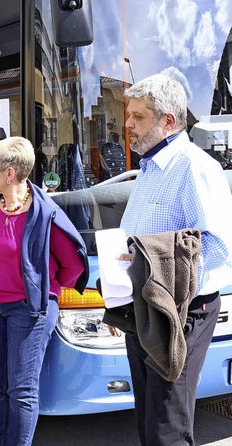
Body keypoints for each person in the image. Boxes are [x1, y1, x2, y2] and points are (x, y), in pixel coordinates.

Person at [108, 74, 232, 446]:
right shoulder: (150, 168)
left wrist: (163, 288)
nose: (127, 124)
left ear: (169, 121)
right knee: (150, 419)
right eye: (128, 115)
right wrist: (125, 301)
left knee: (167, 428)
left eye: (139, 117)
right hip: (146, 310)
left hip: (181, 312)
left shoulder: (194, 167)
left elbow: (217, 246)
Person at [0, 137, 88, 446]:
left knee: (22, 390)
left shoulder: (45, 214)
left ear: (10, 173)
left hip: (28, 311)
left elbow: (73, 266)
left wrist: (46, 287)